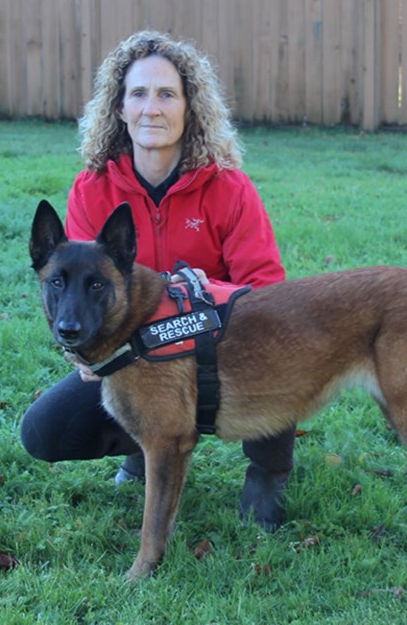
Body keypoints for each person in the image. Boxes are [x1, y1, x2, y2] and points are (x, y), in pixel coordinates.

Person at [20, 30, 295, 530]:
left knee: (281, 345)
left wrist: (190, 312)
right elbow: (80, 288)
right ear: (119, 109)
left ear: (190, 107)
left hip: (226, 349)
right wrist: (85, 351)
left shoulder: (228, 188)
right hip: (133, 358)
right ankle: (144, 447)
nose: (152, 108)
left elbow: (267, 291)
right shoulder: (93, 188)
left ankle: (269, 471)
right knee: (44, 431)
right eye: (139, 94)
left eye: (167, 94)